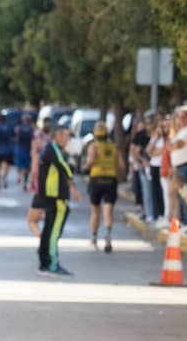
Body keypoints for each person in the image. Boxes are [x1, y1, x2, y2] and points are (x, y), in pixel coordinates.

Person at [37, 125, 81, 277]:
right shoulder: (53, 149)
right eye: (66, 136)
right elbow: (63, 166)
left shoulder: (51, 149)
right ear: (58, 136)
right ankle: (52, 263)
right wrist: (73, 186)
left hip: (52, 196)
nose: (68, 139)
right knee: (53, 231)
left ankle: (45, 262)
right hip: (55, 197)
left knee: (49, 230)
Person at [84, 121, 122, 253]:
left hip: (96, 178)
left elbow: (90, 161)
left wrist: (86, 167)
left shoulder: (93, 146)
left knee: (95, 210)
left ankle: (94, 237)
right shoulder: (114, 147)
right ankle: (108, 233)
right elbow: (121, 165)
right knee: (108, 209)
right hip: (111, 179)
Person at [15, 114, 34, 190]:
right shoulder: (32, 129)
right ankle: (25, 182)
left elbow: (17, 138)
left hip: (20, 149)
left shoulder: (18, 128)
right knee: (27, 167)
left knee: (19, 164)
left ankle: (19, 175)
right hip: (28, 149)